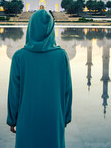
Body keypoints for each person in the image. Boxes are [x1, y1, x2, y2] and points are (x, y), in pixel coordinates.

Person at [7, 9, 72, 148]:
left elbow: (14, 93)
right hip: (54, 117)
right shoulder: (61, 56)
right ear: (51, 29)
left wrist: (12, 119)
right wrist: (66, 116)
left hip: (27, 117)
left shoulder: (19, 57)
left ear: (31, 27)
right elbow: (67, 90)